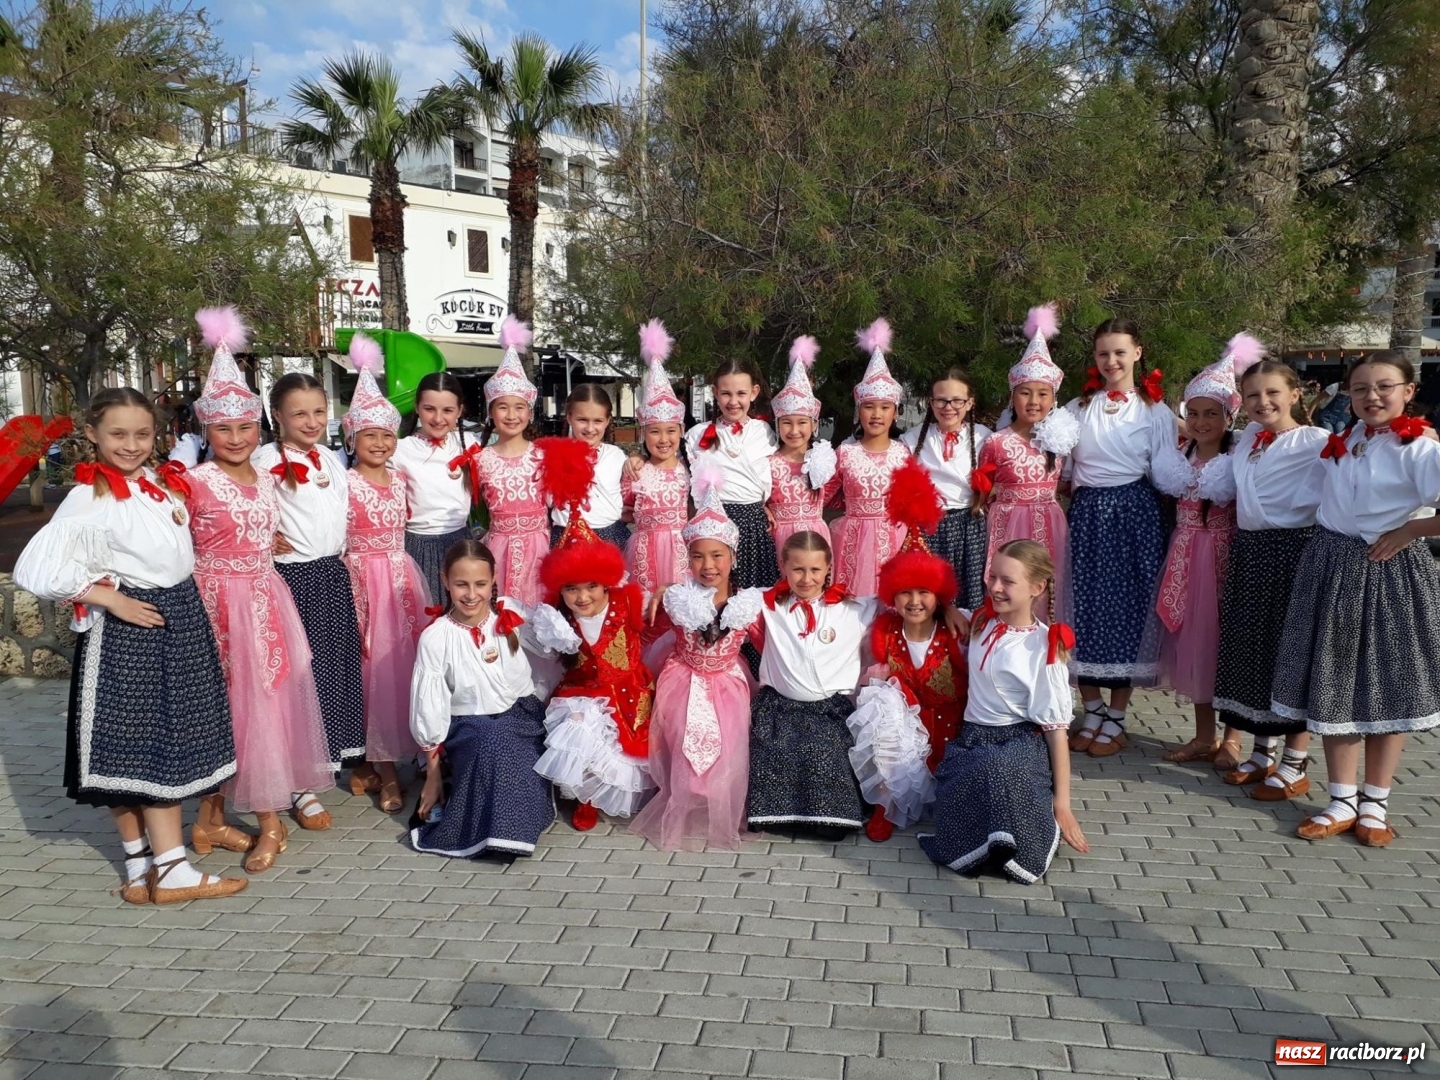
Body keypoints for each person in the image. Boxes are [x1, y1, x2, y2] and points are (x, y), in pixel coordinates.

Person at [14, 386, 245, 904]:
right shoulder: (87, 495)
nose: (131, 443)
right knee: (146, 745)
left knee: (137, 745)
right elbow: (35, 568)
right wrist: (107, 598)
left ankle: (141, 867)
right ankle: (173, 869)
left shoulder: (155, 485)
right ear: (92, 435)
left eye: (142, 433)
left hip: (174, 615)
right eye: (117, 434)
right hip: (133, 626)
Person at [183, 307, 334, 875]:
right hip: (218, 605)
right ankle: (223, 817)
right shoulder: (196, 482)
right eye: (223, 428)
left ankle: (257, 818)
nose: (236, 437)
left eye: (245, 427)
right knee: (226, 709)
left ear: (258, 427)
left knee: (266, 705)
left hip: (266, 600)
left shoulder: (266, 476)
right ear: (206, 429)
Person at [1271, 353, 1440, 846]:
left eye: (1384, 386)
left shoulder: (1419, 448)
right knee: (1335, 683)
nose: (1372, 396)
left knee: (1387, 686)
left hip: (1386, 571)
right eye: (1361, 388)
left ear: (1408, 391)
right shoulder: (1349, 440)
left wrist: (1411, 528)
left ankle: (1375, 803)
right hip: (1331, 566)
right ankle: (1341, 798)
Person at [920, 540, 1087, 883]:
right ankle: (982, 843)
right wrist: (949, 607)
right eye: (992, 576)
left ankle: (1017, 841)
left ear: (1037, 588)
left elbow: (1057, 732)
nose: (995, 587)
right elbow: (939, 610)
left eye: (1008, 581)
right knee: (974, 769)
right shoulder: (982, 621)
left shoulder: (1042, 647)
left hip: (1019, 741)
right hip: (974, 737)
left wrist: (1064, 804)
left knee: (997, 767)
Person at [630, 476, 766, 851]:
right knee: (679, 734)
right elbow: (645, 630)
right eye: (698, 556)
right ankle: (682, 801)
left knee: (729, 743)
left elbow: (770, 643)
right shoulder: (675, 598)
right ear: (687, 558)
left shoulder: (749, 603)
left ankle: (721, 806)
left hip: (727, 681)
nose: (708, 565)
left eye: (717, 555)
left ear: (733, 557)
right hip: (682, 677)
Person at [251, 368, 363, 829]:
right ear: (277, 415)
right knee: (298, 676)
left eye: (319, 411)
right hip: (292, 579)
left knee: (332, 670)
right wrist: (265, 536)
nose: (311, 420)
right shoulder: (262, 461)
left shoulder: (331, 460)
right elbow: (247, 511)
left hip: (330, 575)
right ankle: (296, 782)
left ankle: (322, 762)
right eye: (299, 413)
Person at [1211, 359, 1330, 788]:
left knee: (1291, 652)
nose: (1263, 402)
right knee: (1256, 651)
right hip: (1252, 552)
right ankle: (1263, 752)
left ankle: (1295, 763)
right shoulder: (1246, 442)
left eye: (1273, 392)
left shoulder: (1317, 441)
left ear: (1295, 394)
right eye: (1253, 395)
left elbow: (1359, 457)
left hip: (1293, 552)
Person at [1064, 317, 1176, 757]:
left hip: (1134, 513)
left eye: (1119, 352)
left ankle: (1118, 715)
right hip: (1089, 513)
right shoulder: (1076, 408)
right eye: (1103, 353)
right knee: (1085, 607)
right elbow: (1066, 470)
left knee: (1129, 612)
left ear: (1137, 353)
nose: (1111, 361)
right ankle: (1091, 707)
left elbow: (1164, 472)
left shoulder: (1155, 412)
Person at [531, 436, 656, 831]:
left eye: (590, 587)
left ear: (607, 584)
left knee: (622, 750)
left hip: (628, 691)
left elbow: (664, 622)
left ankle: (607, 791)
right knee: (579, 726)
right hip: (583, 691)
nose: (581, 597)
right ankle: (583, 795)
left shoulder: (629, 604)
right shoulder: (557, 620)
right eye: (571, 589)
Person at [1150, 334, 1259, 764]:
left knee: (1223, 643)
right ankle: (1202, 735)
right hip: (1184, 556)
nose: (1200, 421)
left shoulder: (1240, 456)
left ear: (1228, 416)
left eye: (1211, 413)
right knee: (1192, 646)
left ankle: (1233, 737)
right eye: (1193, 413)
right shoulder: (1180, 456)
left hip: (1223, 556)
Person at [409, 540, 553, 859]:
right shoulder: (436, 637)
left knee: (515, 757)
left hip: (521, 717)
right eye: (461, 584)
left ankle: (513, 823)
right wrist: (431, 775)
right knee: (492, 745)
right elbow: (428, 704)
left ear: (494, 580)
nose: (471, 594)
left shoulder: (510, 613)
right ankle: (491, 830)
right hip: (469, 726)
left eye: (480, 584)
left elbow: (551, 648)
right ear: (445, 580)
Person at [850, 459, 964, 843]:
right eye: (905, 592)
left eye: (925, 592)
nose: (915, 601)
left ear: (940, 595)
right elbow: (841, 602)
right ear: (891, 596)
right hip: (904, 734)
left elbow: (996, 618)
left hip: (951, 732)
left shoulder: (956, 628)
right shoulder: (882, 627)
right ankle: (887, 804)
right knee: (878, 702)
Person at [341, 334, 429, 814]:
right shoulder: (343, 482)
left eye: (386, 436)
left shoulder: (400, 479)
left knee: (408, 664)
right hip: (362, 580)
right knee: (374, 672)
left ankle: (414, 751)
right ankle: (382, 766)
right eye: (369, 436)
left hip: (400, 575)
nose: (379, 444)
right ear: (352, 439)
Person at [747, 531, 874, 838]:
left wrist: (949, 608)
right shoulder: (765, 604)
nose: (806, 578)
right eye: (798, 569)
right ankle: (783, 815)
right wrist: (667, 590)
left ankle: (828, 816)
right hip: (778, 708)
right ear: (784, 567)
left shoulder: (854, 608)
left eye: (815, 570)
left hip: (827, 711)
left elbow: (906, 600)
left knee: (823, 754)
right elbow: (715, 593)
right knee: (774, 754)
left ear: (829, 567)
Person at [970, 303, 1080, 620]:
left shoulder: (1062, 440)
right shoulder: (996, 442)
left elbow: (1069, 481)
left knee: (1048, 589)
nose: (1033, 402)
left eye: (1042, 394)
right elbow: (981, 490)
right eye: (1025, 393)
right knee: (1009, 584)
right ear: (1012, 396)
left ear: (1053, 398)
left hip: (1050, 521)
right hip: (1008, 523)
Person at [461, 316, 548, 608]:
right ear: (490, 413)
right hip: (498, 549)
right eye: (503, 407)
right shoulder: (480, 459)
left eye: (519, 407)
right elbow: (472, 511)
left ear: (530, 412)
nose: (511, 415)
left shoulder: (544, 456)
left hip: (540, 550)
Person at [831, 318, 912, 598]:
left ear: (895, 412)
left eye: (884, 407)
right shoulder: (845, 452)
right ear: (858, 411)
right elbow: (828, 496)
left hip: (897, 538)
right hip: (853, 540)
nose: (876, 414)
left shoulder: (904, 453)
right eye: (869, 407)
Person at [683, 358, 779, 588]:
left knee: (754, 592)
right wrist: (640, 457)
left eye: (741, 393)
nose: (733, 401)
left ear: (754, 392)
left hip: (754, 524)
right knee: (717, 591)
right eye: (726, 393)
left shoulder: (764, 432)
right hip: (715, 527)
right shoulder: (698, 435)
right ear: (715, 392)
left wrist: (765, 503)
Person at [902, 368, 992, 609]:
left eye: (957, 400)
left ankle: (966, 644)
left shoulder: (985, 439)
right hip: (928, 528)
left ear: (970, 403)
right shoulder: (911, 440)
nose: (948, 406)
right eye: (941, 399)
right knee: (931, 593)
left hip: (969, 525)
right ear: (931, 402)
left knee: (968, 595)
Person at [623, 320, 691, 631]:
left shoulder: (690, 469)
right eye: (654, 432)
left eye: (670, 431)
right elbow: (624, 510)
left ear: (681, 431)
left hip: (681, 552)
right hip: (644, 551)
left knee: (679, 612)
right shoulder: (635, 470)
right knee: (646, 614)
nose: (663, 439)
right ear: (644, 433)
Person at [392, 371, 476, 605]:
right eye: (430, 409)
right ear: (417, 407)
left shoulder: (470, 445)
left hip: (462, 544)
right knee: (426, 612)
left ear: (459, 411)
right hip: (418, 546)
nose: (438, 418)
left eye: (448, 410)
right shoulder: (398, 450)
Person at [766, 335, 838, 569]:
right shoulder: (768, 463)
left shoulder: (824, 458)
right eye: (787, 423)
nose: (794, 430)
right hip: (780, 540)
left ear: (814, 424)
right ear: (777, 424)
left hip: (815, 536)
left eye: (802, 423)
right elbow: (759, 498)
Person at [550, 383, 630, 551]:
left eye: (598, 421)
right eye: (582, 420)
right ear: (569, 417)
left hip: (611, 538)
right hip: (566, 538)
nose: (590, 428)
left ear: (608, 421)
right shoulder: (552, 455)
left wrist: (640, 458)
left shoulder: (616, 456)